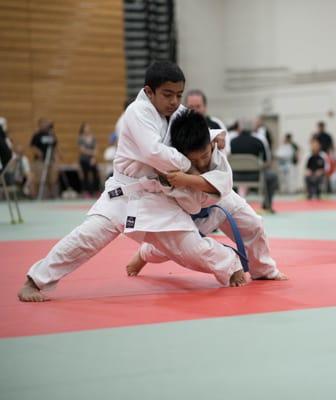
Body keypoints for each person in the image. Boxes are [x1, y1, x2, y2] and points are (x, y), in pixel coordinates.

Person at [18, 61, 246, 302]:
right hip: (123, 194)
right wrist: (189, 167)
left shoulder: (176, 112)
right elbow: (153, 152)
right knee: (86, 238)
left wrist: (215, 137)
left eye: (178, 95)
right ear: (149, 92)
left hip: (159, 197)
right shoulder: (137, 112)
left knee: (190, 248)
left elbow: (194, 131)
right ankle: (35, 280)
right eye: (167, 94)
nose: (174, 101)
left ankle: (231, 266)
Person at [125, 110, 287, 282]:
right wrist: (178, 177)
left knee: (253, 224)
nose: (202, 163)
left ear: (210, 144)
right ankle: (143, 254)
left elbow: (224, 183)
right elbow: (190, 202)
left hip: (221, 197)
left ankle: (263, 270)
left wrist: (187, 178)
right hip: (189, 211)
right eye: (194, 160)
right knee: (173, 248)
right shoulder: (169, 158)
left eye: (205, 156)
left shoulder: (212, 143)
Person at [230, 118, 279, 213]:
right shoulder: (259, 141)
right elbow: (266, 161)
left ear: (239, 128)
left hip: (235, 176)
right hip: (255, 176)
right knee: (272, 177)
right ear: (252, 128)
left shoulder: (232, 142)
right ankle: (267, 205)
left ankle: (233, 205)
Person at [30, 118, 59, 199]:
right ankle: (36, 195)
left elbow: (55, 146)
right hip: (40, 160)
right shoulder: (37, 135)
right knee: (39, 179)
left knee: (52, 179)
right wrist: (38, 152)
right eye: (43, 123)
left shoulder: (51, 134)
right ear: (39, 125)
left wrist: (56, 157)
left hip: (50, 159)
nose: (45, 125)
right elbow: (32, 146)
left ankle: (51, 195)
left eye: (46, 123)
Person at [78, 122, 100, 196]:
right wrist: (92, 153)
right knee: (85, 175)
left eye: (88, 127)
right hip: (84, 160)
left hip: (92, 160)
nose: (88, 129)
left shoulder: (93, 137)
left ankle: (96, 190)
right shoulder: (80, 138)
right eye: (86, 127)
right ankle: (86, 191)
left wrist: (93, 157)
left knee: (95, 175)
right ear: (83, 129)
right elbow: (82, 150)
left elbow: (96, 148)